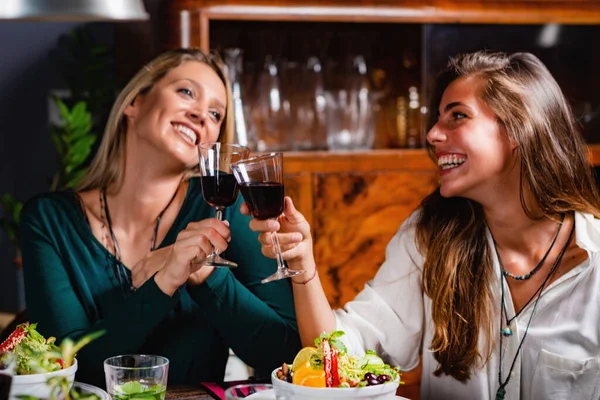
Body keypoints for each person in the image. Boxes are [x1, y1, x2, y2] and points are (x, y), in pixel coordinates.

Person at [244, 51, 600, 399]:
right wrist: (303, 266)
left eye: (457, 116)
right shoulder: (429, 236)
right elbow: (340, 353)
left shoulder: (594, 265)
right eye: (438, 118)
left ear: (519, 128)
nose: (431, 134)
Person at [20, 48, 301, 387]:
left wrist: (206, 276)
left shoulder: (226, 212)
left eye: (215, 114)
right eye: (186, 92)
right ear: (134, 102)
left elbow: (288, 357)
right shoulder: (49, 220)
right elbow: (65, 373)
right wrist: (164, 281)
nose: (201, 115)